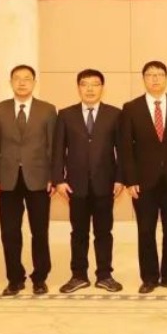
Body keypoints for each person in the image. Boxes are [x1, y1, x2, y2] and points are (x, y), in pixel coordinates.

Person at [0, 65, 57, 296]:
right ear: (11, 82)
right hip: (7, 180)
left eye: (27, 78)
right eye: (17, 78)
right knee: (9, 232)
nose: (22, 82)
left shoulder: (47, 110)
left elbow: (53, 147)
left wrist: (53, 177)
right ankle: (15, 278)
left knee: (39, 231)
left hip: (39, 179)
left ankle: (40, 277)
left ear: (34, 82)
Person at [52, 69, 124, 294]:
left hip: (105, 184)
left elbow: (122, 150)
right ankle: (78, 275)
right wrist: (58, 180)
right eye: (85, 84)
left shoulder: (115, 114)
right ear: (78, 88)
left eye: (95, 84)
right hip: (76, 185)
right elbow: (58, 150)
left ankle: (105, 275)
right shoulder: (66, 114)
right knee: (78, 233)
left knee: (104, 232)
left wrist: (120, 179)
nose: (90, 89)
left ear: (102, 87)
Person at [120, 61, 167, 294]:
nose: (155, 79)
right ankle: (149, 278)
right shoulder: (131, 107)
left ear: (166, 78)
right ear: (144, 79)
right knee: (146, 230)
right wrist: (130, 180)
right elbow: (126, 147)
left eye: (159, 74)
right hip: (143, 182)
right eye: (150, 75)